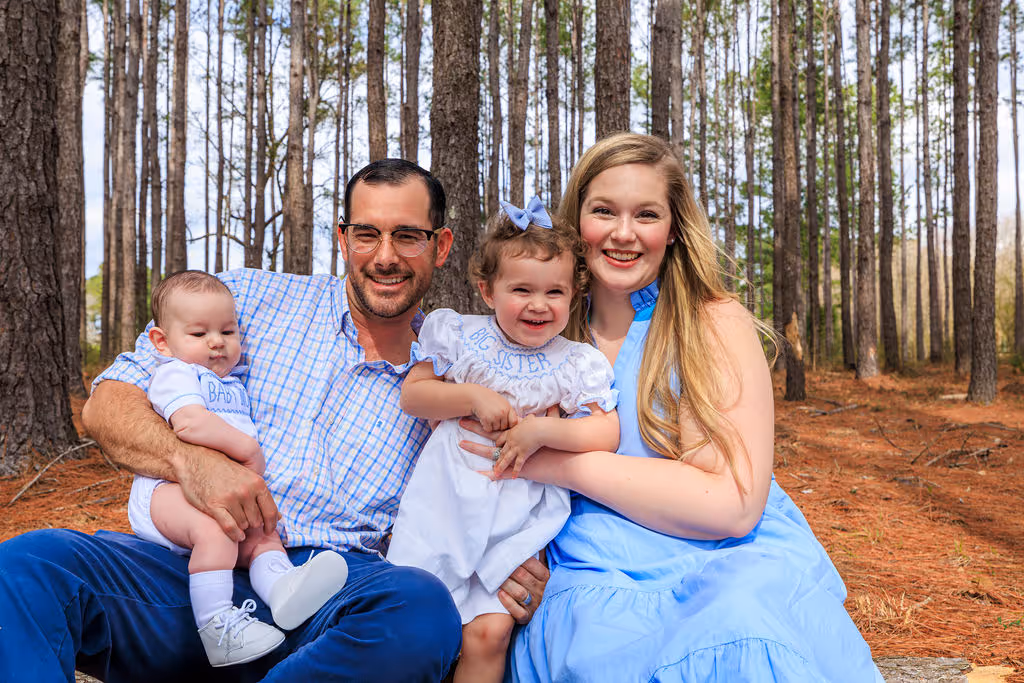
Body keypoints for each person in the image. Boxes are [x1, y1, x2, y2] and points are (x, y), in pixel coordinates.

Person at [0, 159, 546, 682]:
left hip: (331, 595)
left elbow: (486, 490)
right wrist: (189, 462)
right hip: (191, 567)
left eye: (408, 236)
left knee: (420, 611)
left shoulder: (455, 373)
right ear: (342, 239)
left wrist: (496, 558)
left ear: (441, 245)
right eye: (366, 234)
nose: (385, 256)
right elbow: (108, 402)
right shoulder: (248, 300)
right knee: (30, 566)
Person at [460, 133, 884, 682]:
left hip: (724, 560)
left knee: (738, 628)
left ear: (674, 229)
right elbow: (472, 458)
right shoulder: (536, 327)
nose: (623, 233)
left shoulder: (711, 322)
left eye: (647, 214)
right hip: (587, 565)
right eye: (604, 211)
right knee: (592, 643)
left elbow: (727, 506)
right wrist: (502, 552)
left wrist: (545, 459)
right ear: (576, 220)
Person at [387, 197, 619, 683]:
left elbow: (606, 431)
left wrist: (542, 430)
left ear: (574, 296)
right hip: (446, 501)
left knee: (490, 632)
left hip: (518, 515)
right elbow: (414, 396)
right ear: (488, 290)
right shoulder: (460, 336)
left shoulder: (576, 361)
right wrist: (470, 397)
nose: (539, 305)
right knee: (411, 613)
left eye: (554, 292)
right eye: (521, 289)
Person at [129, 269, 349, 667]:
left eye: (228, 332)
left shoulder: (233, 385)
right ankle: (216, 625)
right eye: (199, 334)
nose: (216, 342)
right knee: (217, 530)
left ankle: (283, 588)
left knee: (264, 534)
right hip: (168, 494)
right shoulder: (176, 373)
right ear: (162, 341)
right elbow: (189, 423)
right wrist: (248, 450)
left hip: (221, 495)